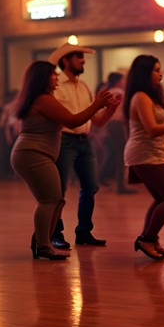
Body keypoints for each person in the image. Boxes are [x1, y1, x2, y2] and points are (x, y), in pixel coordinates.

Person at [11, 60, 118, 260]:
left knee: (56, 200)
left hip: (37, 153)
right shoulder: (43, 99)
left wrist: (104, 108)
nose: (57, 77)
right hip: (33, 153)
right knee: (50, 199)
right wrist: (96, 104)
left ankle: (41, 242)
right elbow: (72, 121)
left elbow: (87, 120)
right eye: (53, 74)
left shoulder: (43, 98)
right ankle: (43, 245)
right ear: (43, 78)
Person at [48, 42, 118, 249]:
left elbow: (97, 121)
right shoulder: (56, 85)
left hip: (83, 141)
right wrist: (98, 105)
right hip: (64, 140)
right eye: (79, 56)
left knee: (90, 187)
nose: (83, 60)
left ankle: (84, 232)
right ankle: (54, 233)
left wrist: (111, 109)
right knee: (58, 191)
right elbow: (68, 119)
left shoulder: (84, 85)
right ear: (66, 60)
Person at [123, 55, 164, 260]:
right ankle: (146, 239)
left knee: (161, 198)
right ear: (144, 73)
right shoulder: (140, 96)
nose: (161, 74)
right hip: (144, 153)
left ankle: (151, 239)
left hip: (153, 153)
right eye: (156, 70)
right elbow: (152, 129)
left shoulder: (151, 97)